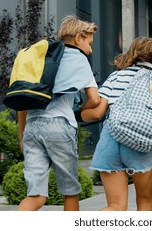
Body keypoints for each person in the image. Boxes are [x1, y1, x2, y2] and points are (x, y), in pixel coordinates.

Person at [79, 37, 152, 211]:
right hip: (142, 142)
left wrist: (79, 114)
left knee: (116, 206)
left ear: (133, 54)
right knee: (145, 202)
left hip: (111, 138)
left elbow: (97, 113)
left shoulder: (117, 76)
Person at [17, 15, 101, 211]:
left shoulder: (42, 56)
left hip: (32, 126)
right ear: (79, 37)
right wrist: (81, 110)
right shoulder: (79, 58)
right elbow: (95, 99)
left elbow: (22, 100)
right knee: (70, 192)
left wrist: (21, 136)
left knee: (36, 195)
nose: (91, 48)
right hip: (59, 126)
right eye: (89, 42)